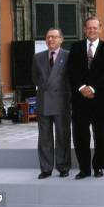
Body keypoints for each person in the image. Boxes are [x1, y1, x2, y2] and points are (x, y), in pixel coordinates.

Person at [67, 16, 104, 179]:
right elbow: (71, 70)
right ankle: (84, 169)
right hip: (79, 99)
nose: (92, 30)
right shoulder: (75, 47)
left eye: (95, 28)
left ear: (100, 29)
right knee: (80, 135)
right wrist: (82, 87)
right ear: (84, 29)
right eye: (89, 28)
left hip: (99, 97)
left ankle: (98, 167)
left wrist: (92, 87)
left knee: (100, 134)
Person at [32, 28, 71, 179]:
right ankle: (46, 168)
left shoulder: (68, 56)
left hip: (62, 102)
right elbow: (35, 77)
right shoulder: (37, 57)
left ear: (61, 39)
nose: (51, 40)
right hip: (44, 101)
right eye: (48, 37)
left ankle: (63, 167)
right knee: (44, 138)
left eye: (54, 37)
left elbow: (70, 79)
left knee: (62, 136)